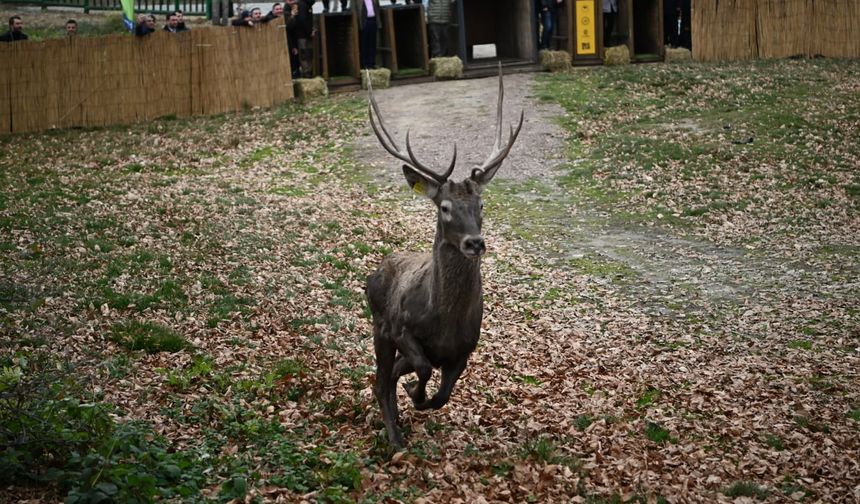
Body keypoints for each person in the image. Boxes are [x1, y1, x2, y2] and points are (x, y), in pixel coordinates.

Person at [353, 0, 381, 69]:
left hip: (373, 20)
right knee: (364, 44)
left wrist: (378, 22)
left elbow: (378, 8)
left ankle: (372, 63)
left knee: (372, 43)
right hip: (363, 22)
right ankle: (364, 64)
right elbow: (354, 10)